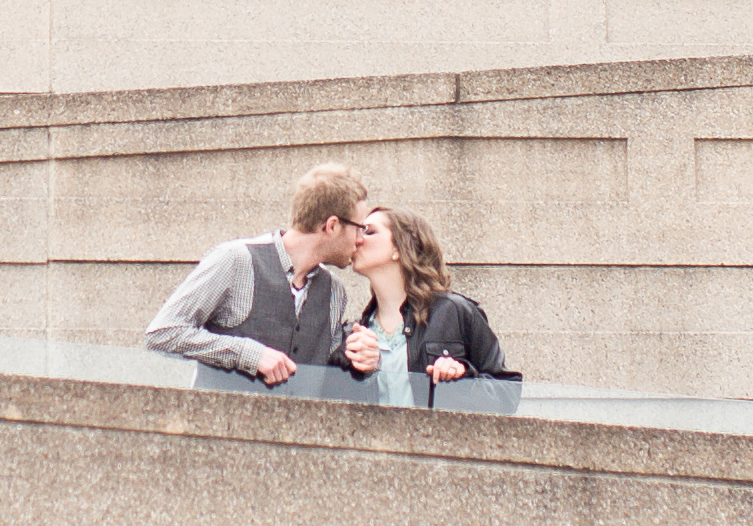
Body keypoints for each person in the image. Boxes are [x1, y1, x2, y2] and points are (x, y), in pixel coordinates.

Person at [144, 165, 384, 388]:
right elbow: (163, 333)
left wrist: (359, 356)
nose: (361, 239)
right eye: (359, 228)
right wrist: (248, 354)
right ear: (332, 226)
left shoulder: (334, 290)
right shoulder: (236, 260)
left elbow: (328, 366)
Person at [340, 204, 515, 406]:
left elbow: (506, 395)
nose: (357, 239)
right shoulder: (353, 334)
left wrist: (462, 377)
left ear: (399, 247)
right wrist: (358, 371)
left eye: (369, 231)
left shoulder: (454, 312)